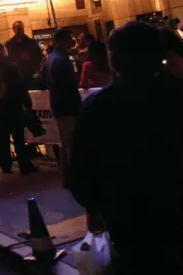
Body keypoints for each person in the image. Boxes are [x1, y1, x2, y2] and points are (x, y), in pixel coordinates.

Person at [70, 22, 182, 275]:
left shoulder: (99, 107)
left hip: (127, 218)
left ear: (116, 59)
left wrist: (95, 206)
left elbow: (81, 169)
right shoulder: (175, 95)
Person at [0, 44, 37, 174]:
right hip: (13, 106)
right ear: (3, 51)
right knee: (18, 137)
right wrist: (27, 103)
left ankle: (5, 164)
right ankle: (24, 164)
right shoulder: (10, 67)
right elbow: (19, 87)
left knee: (3, 138)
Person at [44, 29, 82, 187]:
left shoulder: (53, 58)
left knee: (66, 142)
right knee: (70, 143)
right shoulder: (62, 59)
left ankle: (68, 176)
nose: (71, 40)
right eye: (69, 38)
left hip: (60, 104)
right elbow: (67, 84)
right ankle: (72, 176)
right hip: (67, 105)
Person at [5, 20, 43, 88]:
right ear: (14, 30)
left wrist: (31, 60)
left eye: (22, 28)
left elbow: (39, 56)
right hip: (17, 76)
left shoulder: (32, 43)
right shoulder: (9, 45)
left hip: (31, 74)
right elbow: (7, 60)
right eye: (18, 28)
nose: (21, 30)